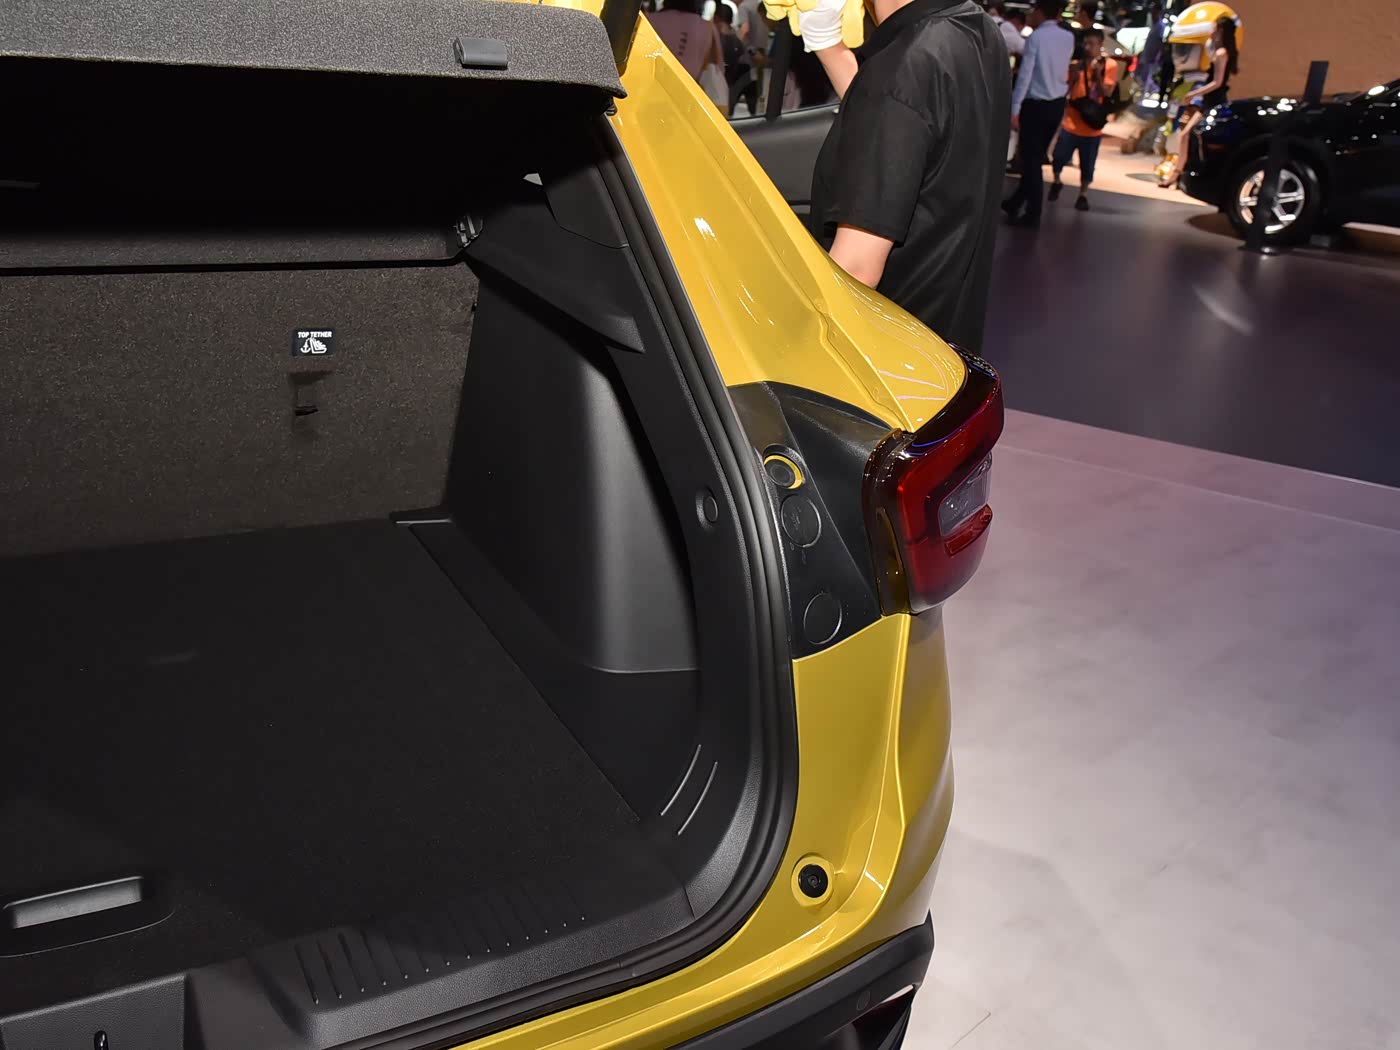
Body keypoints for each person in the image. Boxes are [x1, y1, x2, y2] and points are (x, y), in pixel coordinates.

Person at [810, 0, 1010, 352]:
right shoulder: (977, 29)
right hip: (940, 345)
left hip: (883, 351)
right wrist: (828, 47)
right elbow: (905, 120)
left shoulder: (902, 65)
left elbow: (856, 269)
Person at [1002, 0, 1075, 228]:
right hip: (1056, 104)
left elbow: (1025, 75)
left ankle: (1033, 213)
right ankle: (1014, 202)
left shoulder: (1036, 38)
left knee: (1031, 160)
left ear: (1040, 12)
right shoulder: (1068, 37)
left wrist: (1015, 109)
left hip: (1035, 105)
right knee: (1037, 156)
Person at [1159, 14, 1237, 188]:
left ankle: (1179, 175)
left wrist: (1193, 94)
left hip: (1214, 102)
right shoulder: (1219, 51)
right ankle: (1177, 175)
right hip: (1210, 101)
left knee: (1189, 135)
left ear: (1221, 31)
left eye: (1214, 29)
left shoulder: (1221, 53)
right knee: (1186, 135)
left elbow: (1217, 82)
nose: (1211, 32)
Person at [1049, 27, 1117, 211]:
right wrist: (1073, 75)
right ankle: (1056, 181)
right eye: (1086, 43)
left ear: (1100, 44)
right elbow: (1065, 89)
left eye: (1092, 44)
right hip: (1071, 122)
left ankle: (1083, 195)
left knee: (1087, 165)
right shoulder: (1076, 64)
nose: (1088, 48)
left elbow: (1106, 92)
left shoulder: (1109, 65)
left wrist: (1097, 73)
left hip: (1092, 126)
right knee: (1058, 158)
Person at [647, 0, 725, 81]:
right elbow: (719, 69)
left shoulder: (650, 20)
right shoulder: (708, 28)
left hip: (652, 82)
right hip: (689, 86)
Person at [715, 0, 752, 110]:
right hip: (731, 86)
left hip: (717, 89)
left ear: (717, 18)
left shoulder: (717, 39)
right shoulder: (736, 40)